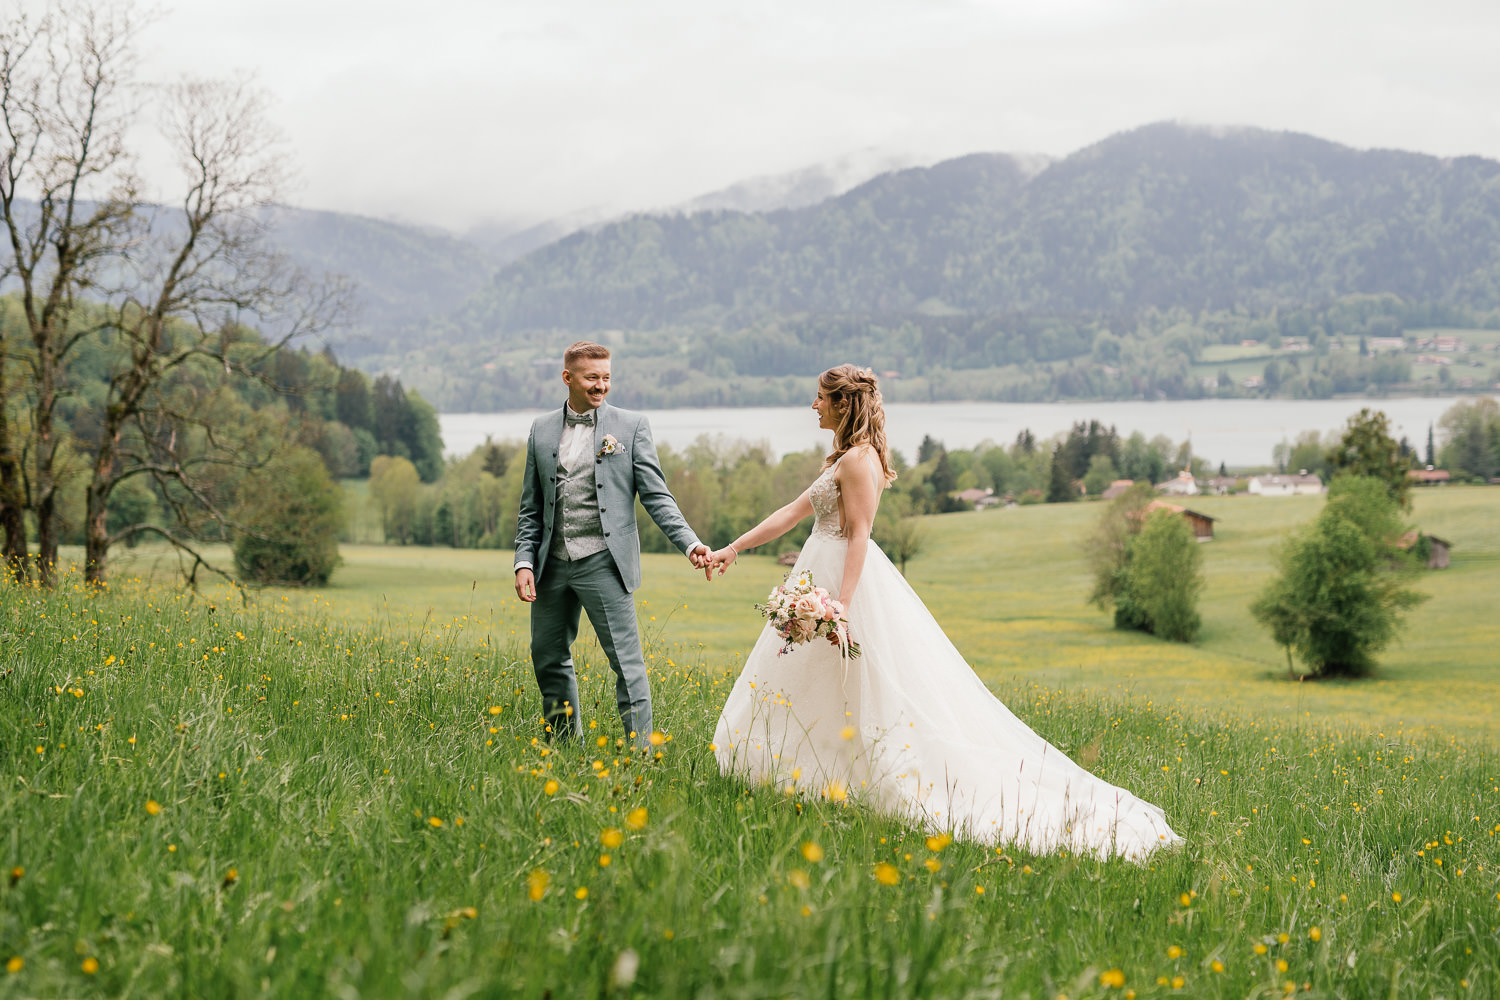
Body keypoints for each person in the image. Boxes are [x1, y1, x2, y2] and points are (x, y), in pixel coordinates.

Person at [704, 364, 1181, 859]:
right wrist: (732, 550)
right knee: (813, 683)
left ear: (842, 404)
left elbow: (860, 534)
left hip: (839, 580)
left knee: (856, 688)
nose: (814, 405)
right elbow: (791, 513)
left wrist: (839, 605)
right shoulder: (847, 458)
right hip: (816, 571)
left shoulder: (858, 462)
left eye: (820, 397)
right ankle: (811, 772)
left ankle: (837, 774)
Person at [514, 341, 709, 750]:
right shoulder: (541, 428)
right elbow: (531, 507)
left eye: (606, 377)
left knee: (626, 663)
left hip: (604, 563)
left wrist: (690, 544)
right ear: (568, 378)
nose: (601, 386)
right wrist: (523, 562)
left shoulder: (631, 426)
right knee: (548, 658)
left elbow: (657, 496)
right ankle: (564, 748)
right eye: (591, 378)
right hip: (550, 565)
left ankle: (641, 755)